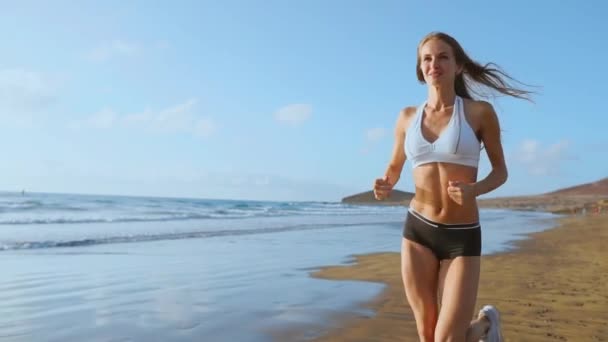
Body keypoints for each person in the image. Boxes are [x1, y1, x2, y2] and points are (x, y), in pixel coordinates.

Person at [373, 32, 533, 342]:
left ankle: (486, 323)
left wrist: (475, 190)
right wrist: (385, 184)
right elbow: (394, 167)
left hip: (461, 236)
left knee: (448, 339)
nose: (434, 64)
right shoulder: (407, 117)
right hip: (418, 230)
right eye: (427, 59)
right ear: (421, 68)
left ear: (458, 65)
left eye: (443, 57)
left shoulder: (478, 112)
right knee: (427, 333)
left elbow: (500, 172)